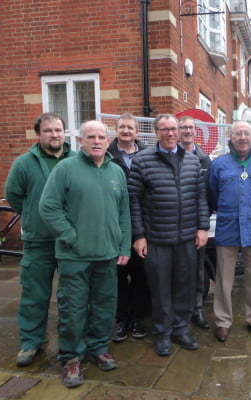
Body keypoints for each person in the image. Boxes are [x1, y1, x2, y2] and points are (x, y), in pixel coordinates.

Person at [39, 120, 131, 388]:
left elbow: (123, 213)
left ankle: (99, 347)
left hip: (107, 255)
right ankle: (70, 358)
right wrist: (69, 236)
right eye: (90, 136)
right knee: (73, 309)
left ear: (107, 140)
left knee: (105, 306)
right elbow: (48, 207)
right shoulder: (66, 169)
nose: (97, 141)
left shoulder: (116, 172)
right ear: (81, 141)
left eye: (102, 136)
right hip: (74, 257)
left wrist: (123, 246)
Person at [128, 114, 209, 357]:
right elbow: (134, 201)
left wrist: (202, 227)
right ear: (156, 133)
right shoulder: (142, 161)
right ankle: (163, 333)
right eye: (165, 130)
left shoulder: (194, 162)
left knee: (184, 286)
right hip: (157, 240)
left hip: (186, 238)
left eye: (173, 129)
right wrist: (139, 235)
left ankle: (181, 329)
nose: (170, 133)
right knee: (161, 289)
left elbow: (200, 197)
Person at [5, 112, 75, 368]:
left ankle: (72, 343)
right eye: (48, 131)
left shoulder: (77, 160)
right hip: (38, 242)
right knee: (35, 294)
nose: (54, 135)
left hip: (70, 241)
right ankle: (31, 342)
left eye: (58, 130)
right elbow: (13, 195)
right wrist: (33, 215)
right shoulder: (24, 163)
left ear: (64, 132)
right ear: (39, 134)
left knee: (72, 296)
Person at [207, 120, 251, 343]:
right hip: (228, 227)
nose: (243, 137)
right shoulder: (218, 165)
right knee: (224, 278)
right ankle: (222, 321)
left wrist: (250, 211)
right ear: (231, 137)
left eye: (246, 133)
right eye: (238, 134)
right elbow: (212, 194)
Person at [108, 113, 148, 342]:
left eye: (130, 127)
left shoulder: (147, 155)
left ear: (137, 131)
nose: (126, 130)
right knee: (118, 276)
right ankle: (122, 319)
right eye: (122, 127)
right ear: (116, 130)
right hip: (115, 228)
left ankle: (137, 319)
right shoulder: (106, 155)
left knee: (141, 276)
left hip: (142, 227)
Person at [178, 115, 211, 330]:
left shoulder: (205, 159)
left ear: (196, 131)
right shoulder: (170, 155)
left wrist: (203, 226)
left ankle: (197, 310)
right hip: (173, 224)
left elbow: (206, 195)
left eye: (191, 127)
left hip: (195, 224)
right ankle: (178, 312)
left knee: (198, 271)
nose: (188, 131)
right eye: (184, 127)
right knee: (177, 271)